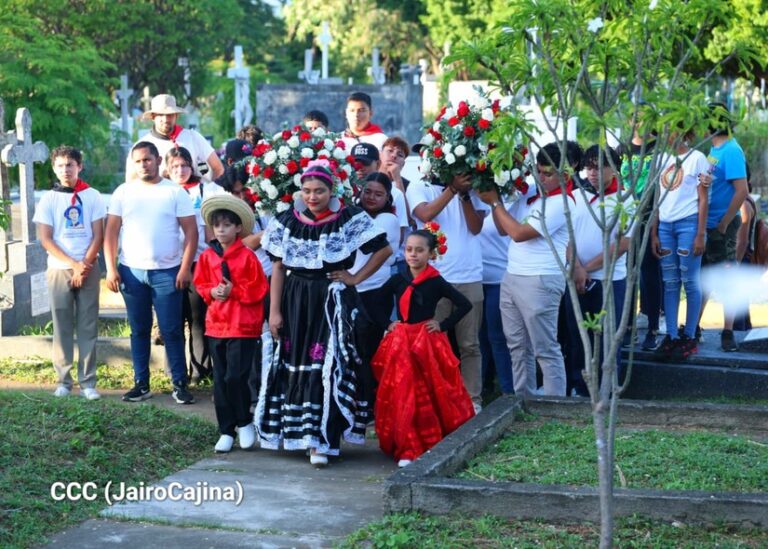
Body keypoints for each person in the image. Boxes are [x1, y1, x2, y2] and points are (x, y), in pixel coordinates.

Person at [257, 160, 393, 466]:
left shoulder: (348, 217)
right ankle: (301, 436)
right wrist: (274, 312)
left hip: (332, 300)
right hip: (295, 300)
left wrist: (355, 278)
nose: (312, 196)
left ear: (332, 191)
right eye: (306, 191)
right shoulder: (286, 220)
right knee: (294, 363)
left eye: (319, 191)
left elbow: (384, 249)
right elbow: (278, 267)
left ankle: (324, 441)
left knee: (330, 367)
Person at [105, 142, 199, 404]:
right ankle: (141, 383)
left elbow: (191, 233)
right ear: (132, 164)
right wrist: (111, 268)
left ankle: (179, 383)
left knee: (171, 329)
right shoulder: (123, 192)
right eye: (137, 161)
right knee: (139, 329)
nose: (143, 165)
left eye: (147, 159)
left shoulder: (175, 192)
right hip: (132, 272)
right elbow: (111, 232)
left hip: (168, 273)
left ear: (158, 160)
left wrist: (184, 268)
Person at [372, 230, 474, 467]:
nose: (413, 254)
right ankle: (407, 442)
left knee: (430, 388)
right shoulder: (398, 279)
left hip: (426, 341)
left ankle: (430, 437)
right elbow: (375, 302)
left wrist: (442, 324)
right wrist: (388, 324)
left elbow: (464, 304)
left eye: (419, 250)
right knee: (403, 389)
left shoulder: (436, 281)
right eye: (409, 249)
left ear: (431, 253)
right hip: (401, 341)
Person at [477, 143, 571, 397]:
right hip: (513, 275)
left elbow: (519, 234)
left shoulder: (562, 202)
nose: (541, 177)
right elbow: (501, 228)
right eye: (538, 171)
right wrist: (496, 196)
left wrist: (495, 202)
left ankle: (555, 409)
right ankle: (523, 401)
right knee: (517, 346)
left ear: (566, 175)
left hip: (540, 279)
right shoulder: (531, 192)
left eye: (548, 173)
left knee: (545, 348)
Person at [406, 165, 488, 411]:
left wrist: (464, 193)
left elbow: (476, 227)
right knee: (430, 345)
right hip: (432, 278)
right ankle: (430, 399)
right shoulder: (420, 186)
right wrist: (452, 188)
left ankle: (473, 399)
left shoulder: (473, 189)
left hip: (469, 275)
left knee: (470, 344)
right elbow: (426, 214)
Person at [194, 195, 268, 453]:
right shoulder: (207, 257)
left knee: (237, 376)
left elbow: (259, 288)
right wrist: (211, 292)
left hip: (242, 326)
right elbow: (200, 283)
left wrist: (233, 290)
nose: (221, 230)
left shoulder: (248, 257)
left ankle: (244, 421)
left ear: (238, 228)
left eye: (227, 225)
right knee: (221, 380)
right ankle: (226, 429)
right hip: (216, 325)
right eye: (217, 226)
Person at [33, 146, 106, 400]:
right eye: (61, 165)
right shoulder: (48, 199)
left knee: (87, 324)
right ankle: (63, 380)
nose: (66, 170)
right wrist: (73, 265)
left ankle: (88, 382)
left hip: (88, 267)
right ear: (54, 168)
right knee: (62, 325)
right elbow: (45, 238)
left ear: (79, 166)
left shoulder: (93, 196)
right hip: (59, 269)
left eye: (71, 165)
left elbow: (99, 234)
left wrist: (84, 265)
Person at [565, 145, 630, 395]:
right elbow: (568, 239)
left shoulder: (625, 200)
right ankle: (579, 388)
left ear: (613, 169)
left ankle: (607, 392)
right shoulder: (577, 197)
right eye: (589, 167)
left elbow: (623, 243)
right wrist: (576, 268)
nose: (593, 173)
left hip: (609, 281)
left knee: (607, 339)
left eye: (599, 166)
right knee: (577, 335)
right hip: (577, 279)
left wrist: (587, 268)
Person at [166, 146, 227, 383]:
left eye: (184, 165)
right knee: (172, 320)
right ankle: (176, 371)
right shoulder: (163, 191)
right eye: (174, 167)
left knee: (197, 318)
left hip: (200, 263)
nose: (180, 170)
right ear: (167, 169)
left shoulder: (207, 189)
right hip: (169, 263)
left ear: (192, 166)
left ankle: (200, 370)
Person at [651, 130, 710, 360]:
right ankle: (672, 335)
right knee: (670, 282)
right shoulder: (661, 159)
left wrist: (700, 234)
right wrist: (654, 232)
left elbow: (703, 198)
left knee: (690, 281)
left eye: (673, 127)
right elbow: (656, 197)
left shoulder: (697, 158)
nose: (668, 134)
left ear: (685, 131)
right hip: (665, 227)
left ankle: (689, 334)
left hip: (688, 225)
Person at [699, 102, 749, 352]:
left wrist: (724, 222)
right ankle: (693, 328)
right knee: (704, 277)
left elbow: (742, 190)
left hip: (721, 226)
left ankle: (727, 332)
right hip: (705, 225)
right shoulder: (714, 148)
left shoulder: (731, 150)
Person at [350, 173, 401, 400]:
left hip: (375, 291)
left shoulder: (388, 219)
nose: (371, 197)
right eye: (367, 191)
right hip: (352, 291)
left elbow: (364, 242)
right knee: (353, 348)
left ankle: (370, 401)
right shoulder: (353, 211)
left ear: (388, 197)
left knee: (369, 349)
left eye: (378, 194)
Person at [620, 106, 663, 350]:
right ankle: (627, 327)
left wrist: (654, 229)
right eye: (637, 117)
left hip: (649, 220)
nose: (641, 122)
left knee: (649, 274)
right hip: (626, 221)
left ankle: (653, 328)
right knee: (627, 275)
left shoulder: (659, 151)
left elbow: (659, 192)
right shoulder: (622, 149)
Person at [127, 94, 224, 181]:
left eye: (169, 115)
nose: (165, 119)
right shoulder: (142, 147)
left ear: (176, 115)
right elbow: (131, 181)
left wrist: (212, 191)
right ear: (153, 117)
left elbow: (218, 168)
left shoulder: (193, 138)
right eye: (160, 115)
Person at [352, 143, 408, 242]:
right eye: (355, 163)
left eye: (365, 163)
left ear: (378, 164)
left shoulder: (396, 194)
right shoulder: (342, 190)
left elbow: (400, 234)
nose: (359, 167)